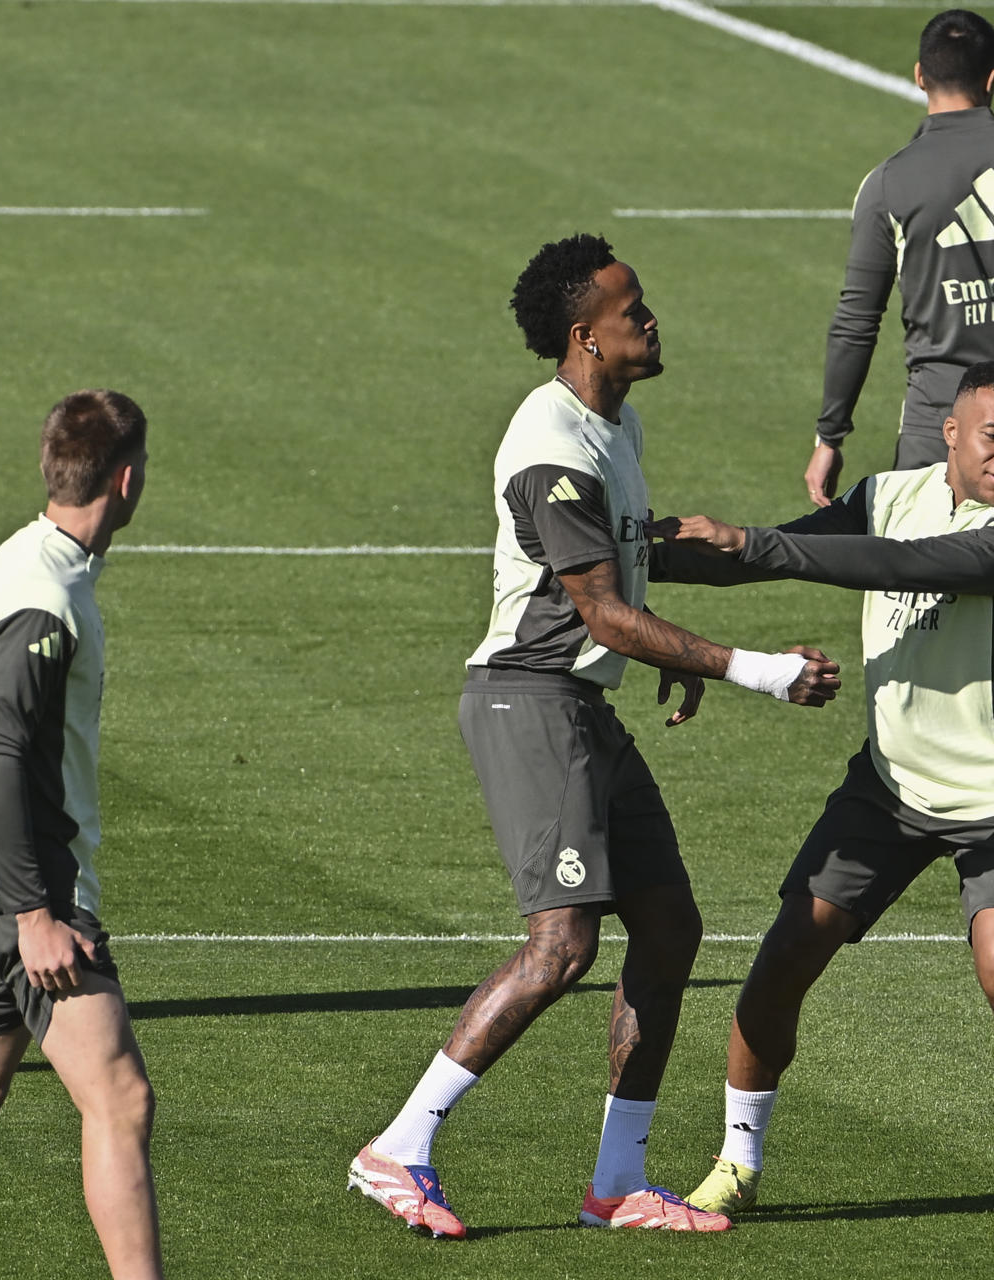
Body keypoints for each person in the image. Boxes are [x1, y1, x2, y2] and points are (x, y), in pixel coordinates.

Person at [348, 235, 841, 1238]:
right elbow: (604, 612)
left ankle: (616, 1184)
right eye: (633, 310)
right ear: (586, 337)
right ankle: (399, 1145)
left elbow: (626, 574)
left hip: (579, 707)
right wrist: (753, 668)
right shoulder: (552, 448)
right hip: (526, 701)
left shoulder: (616, 428)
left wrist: (690, 617)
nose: (650, 320)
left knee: (668, 928)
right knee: (562, 943)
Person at [652, 360, 994, 1224]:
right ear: (952, 430)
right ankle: (737, 1161)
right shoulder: (891, 491)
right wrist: (637, 560)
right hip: (890, 785)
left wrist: (751, 539)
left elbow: (889, 562)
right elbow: (785, 553)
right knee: (783, 959)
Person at [0, 391, 162, 1277]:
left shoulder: (24, 558)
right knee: (122, 1101)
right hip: (26, 899)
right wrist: (33, 913)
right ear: (128, 479)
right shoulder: (45, 593)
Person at [806, 8, 994, 513]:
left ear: (919, 76)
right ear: (992, 78)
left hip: (939, 428)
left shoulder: (888, 183)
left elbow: (857, 320)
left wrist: (830, 435)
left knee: (923, 583)